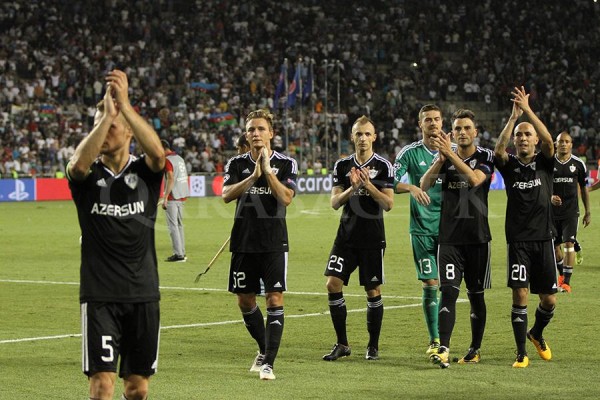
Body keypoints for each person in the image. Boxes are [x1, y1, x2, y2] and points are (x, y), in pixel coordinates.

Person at [66, 69, 165, 399]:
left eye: (112, 125)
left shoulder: (144, 173)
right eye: (99, 125)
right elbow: (76, 165)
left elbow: (159, 155)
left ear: (129, 131)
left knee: (137, 389)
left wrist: (124, 105)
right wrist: (107, 115)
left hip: (143, 293)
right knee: (102, 386)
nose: (105, 130)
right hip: (100, 296)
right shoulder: (87, 176)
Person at [222, 109, 298, 380]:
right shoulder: (236, 164)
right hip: (243, 241)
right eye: (251, 129)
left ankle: (269, 364)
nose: (256, 133)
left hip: (274, 241)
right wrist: (253, 177)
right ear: (246, 134)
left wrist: (267, 172)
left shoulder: (286, 163)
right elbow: (226, 195)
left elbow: (286, 197)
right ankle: (264, 349)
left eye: (261, 129)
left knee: (274, 298)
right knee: (245, 301)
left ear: (271, 133)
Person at [420, 109, 494, 366]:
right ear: (452, 133)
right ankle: (444, 348)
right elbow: (424, 185)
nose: (462, 133)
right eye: (458, 129)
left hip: (477, 238)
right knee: (448, 292)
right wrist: (440, 160)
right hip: (449, 239)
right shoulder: (445, 159)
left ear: (475, 132)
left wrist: (449, 154)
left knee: (476, 295)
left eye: (467, 128)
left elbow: (475, 180)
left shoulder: (485, 156)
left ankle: (474, 348)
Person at [322, 116, 394, 362]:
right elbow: (333, 203)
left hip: (372, 238)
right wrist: (352, 188)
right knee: (332, 283)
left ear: (374, 137)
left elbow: (388, 204)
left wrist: (368, 185)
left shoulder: (384, 166)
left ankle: (373, 346)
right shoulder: (342, 166)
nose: (362, 138)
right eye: (358, 134)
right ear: (351, 137)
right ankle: (342, 343)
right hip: (346, 236)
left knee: (372, 289)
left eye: (367, 134)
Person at [494, 86, 557, 368]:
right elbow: (498, 150)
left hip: (544, 239)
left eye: (526, 134)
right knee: (520, 293)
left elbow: (550, 141)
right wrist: (513, 118)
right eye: (519, 135)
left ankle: (536, 333)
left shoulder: (545, 163)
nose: (522, 138)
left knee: (550, 300)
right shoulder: (510, 167)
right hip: (518, 240)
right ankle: (521, 352)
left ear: (533, 140)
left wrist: (529, 112)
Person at [393, 104, 455, 356]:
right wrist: (412, 188)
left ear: (442, 123)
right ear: (420, 124)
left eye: (437, 119)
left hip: (451, 229)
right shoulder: (409, 153)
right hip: (421, 229)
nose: (433, 123)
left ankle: (467, 343)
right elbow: (390, 180)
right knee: (430, 283)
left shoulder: (454, 151)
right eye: (428, 119)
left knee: (450, 286)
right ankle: (435, 339)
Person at [551, 131, 591, 293]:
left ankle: (566, 282)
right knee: (554, 248)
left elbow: (584, 188)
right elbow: (541, 185)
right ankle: (562, 274)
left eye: (567, 141)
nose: (563, 144)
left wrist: (588, 211)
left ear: (571, 144)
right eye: (560, 141)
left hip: (570, 212)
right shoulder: (548, 162)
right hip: (551, 213)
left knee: (569, 244)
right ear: (556, 143)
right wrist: (550, 197)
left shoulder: (578, 164)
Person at [161, 139, 190, 262]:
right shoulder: (179, 158)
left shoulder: (167, 160)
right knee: (179, 225)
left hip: (173, 196)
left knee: (173, 226)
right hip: (182, 194)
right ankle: (182, 252)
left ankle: (178, 254)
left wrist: (165, 197)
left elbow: (170, 179)